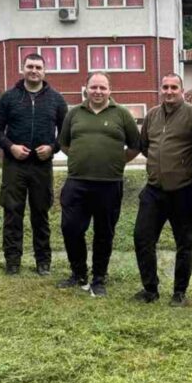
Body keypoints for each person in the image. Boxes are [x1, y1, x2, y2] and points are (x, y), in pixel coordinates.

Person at [57, 72, 140, 297]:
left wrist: (116, 161)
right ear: (86, 88)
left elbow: (135, 145)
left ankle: (99, 278)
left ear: (110, 90)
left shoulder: (122, 114)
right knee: (70, 228)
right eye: (94, 87)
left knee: (104, 233)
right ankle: (78, 273)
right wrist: (79, 158)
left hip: (109, 184)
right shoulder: (74, 113)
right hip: (77, 182)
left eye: (102, 88)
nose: (98, 92)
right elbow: (64, 143)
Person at [0, 53, 67, 276]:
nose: (34, 70)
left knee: (40, 213)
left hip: (42, 166)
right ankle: (12, 261)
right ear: (23, 69)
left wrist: (53, 148)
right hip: (15, 165)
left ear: (45, 71)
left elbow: (66, 133)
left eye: (38, 67)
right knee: (13, 213)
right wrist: (10, 147)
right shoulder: (9, 98)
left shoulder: (56, 100)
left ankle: (43, 261)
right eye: (30, 66)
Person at [132, 73, 192, 306]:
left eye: (174, 87)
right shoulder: (152, 115)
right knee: (142, 238)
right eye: (165, 87)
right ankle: (150, 289)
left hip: (183, 191)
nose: (169, 91)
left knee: (185, 243)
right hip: (154, 190)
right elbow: (144, 146)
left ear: (182, 90)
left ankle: (179, 292)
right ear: (160, 89)